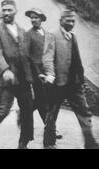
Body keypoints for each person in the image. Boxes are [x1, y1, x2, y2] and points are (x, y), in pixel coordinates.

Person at [0, 0, 34, 149]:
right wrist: (4, 69)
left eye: (9, 10)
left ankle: (23, 144)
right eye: (4, 10)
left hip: (23, 79)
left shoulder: (22, 31)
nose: (6, 13)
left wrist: (34, 75)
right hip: (8, 78)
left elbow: (27, 54)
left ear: (16, 11)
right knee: (3, 110)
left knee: (27, 111)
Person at [41, 10, 99, 149]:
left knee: (84, 112)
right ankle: (48, 143)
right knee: (52, 114)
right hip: (57, 84)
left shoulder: (73, 36)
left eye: (73, 21)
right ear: (61, 20)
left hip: (74, 84)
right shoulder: (52, 35)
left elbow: (76, 59)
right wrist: (50, 74)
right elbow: (47, 57)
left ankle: (90, 143)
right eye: (68, 20)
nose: (71, 23)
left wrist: (80, 78)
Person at [23, 8, 62, 139]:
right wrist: (35, 74)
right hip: (37, 75)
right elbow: (27, 57)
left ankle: (23, 113)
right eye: (31, 17)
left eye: (36, 17)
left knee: (47, 100)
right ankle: (51, 128)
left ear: (41, 19)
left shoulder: (47, 33)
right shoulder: (28, 35)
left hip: (49, 73)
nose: (33, 20)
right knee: (42, 101)